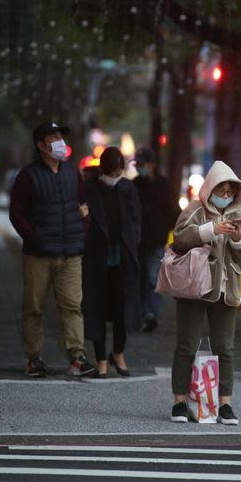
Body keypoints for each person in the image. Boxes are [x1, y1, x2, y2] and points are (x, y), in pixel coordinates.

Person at [169, 161, 241, 425]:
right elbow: (180, 238)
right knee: (187, 344)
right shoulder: (195, 210)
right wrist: (211, 230)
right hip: (194, 286)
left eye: (230, 192)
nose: (226, 196)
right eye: (222, 190)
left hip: (225, 289)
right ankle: (180, 402)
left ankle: (225, 404)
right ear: (210, 188)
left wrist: (238, 237)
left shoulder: (238, 214)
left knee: (225, 348)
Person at [8, 122, 95, 378]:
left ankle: (77, 357)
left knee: (72, 306)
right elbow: (16, 212)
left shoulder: (72, 173)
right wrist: (33, 238)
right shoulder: (28, 175)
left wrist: (82, 231)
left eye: (61, 137)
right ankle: (33, 358)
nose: (60, 142)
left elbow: (84, 205)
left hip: (70, 254)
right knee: (34, 308)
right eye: (54, 137)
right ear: (41, 145)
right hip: (39, 254)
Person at [82, 146, 143, 378]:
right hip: (97, 257)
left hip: (123, 257)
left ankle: (118, 351)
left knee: (122, 307)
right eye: (113, 173)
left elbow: (137, 220)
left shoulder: (128, 189)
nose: (116, 178)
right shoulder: (90, 189)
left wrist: (134, 244)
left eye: (119, 173)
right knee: (97, 307)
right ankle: (100, 359)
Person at [132, 147, 178, 333]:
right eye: (138, 165)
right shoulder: (135, 184)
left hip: (156, 240)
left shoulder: (163, 185)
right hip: (138, 240)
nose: (139, 168)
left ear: (151, 165)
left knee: (152, 277)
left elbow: (171, 211)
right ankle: (140, 313)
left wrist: (166, 229)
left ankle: (150, 313)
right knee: (139, 278)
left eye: (142, 164)